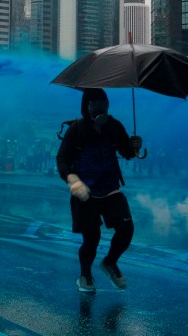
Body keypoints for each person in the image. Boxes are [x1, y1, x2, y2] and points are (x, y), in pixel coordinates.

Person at [56, 88, 143, 293]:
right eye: (95, 102)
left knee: (126, 229)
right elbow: (62, 158)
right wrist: (71, 179)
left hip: (111, 189)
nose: (100, 106)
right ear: (87, 106)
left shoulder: (114, 126)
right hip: (84, 192)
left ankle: (110, 262)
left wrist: (134, 147)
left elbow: (127, 152)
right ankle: (85, 275)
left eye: (103, 101)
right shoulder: (76, 129)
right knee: (91, 238)